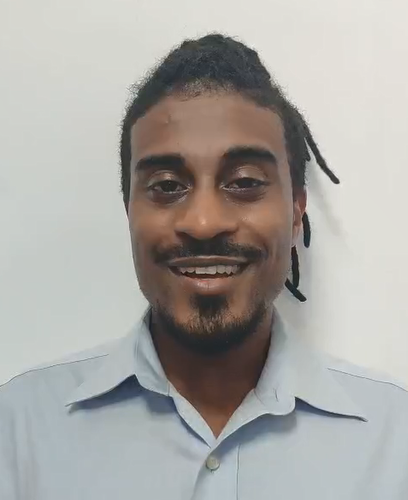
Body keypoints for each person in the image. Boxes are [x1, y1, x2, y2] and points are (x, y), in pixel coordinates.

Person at [1, 33, 407, 500]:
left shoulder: (394, 439)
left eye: (245, 182)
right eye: (167, 185)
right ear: (129, 210)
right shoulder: (19, 432)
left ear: (296, 212)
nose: (204, 222)